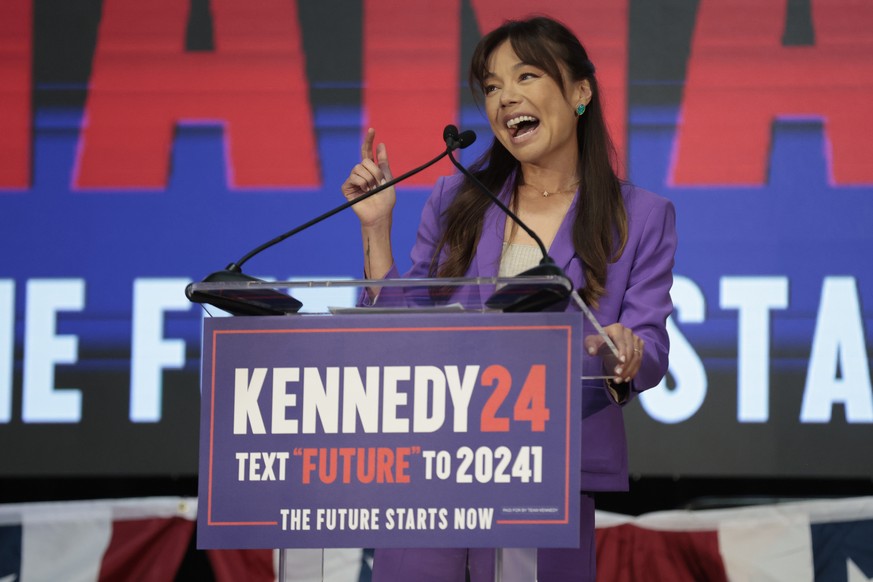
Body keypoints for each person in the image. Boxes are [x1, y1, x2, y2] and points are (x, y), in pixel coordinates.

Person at [341, 15, 676, 582]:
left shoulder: (639, 217)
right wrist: (376, 230)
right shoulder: (457, 197)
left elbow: (648, 344)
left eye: (525, 76)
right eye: (492, 87)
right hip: (431, 470)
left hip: (551, 473)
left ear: (579, 92)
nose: (505, 98)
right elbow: (405, 329)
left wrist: (627, 352)